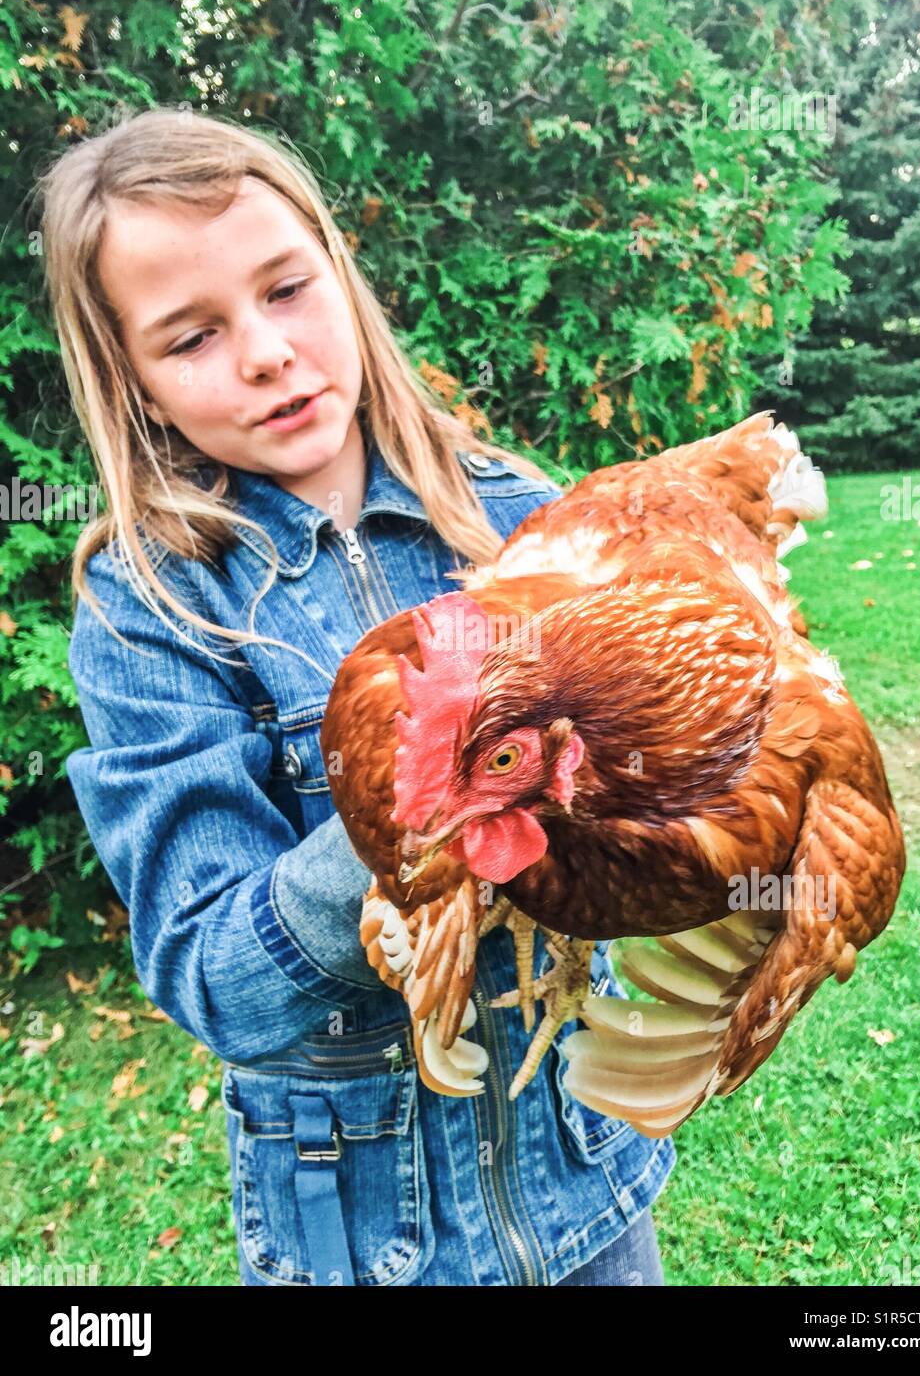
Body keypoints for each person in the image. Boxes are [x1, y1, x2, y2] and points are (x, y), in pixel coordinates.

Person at [37, 107, 676, 1286]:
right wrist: (414, 820)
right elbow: (206, 964)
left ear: (340, 268)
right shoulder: (153, 610)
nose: (266, 352)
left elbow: (636, 819)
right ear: (133, 383)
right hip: (364, 1234)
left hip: (586, 1176)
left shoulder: (513, 513)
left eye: (285, 288)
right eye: (191, 337)